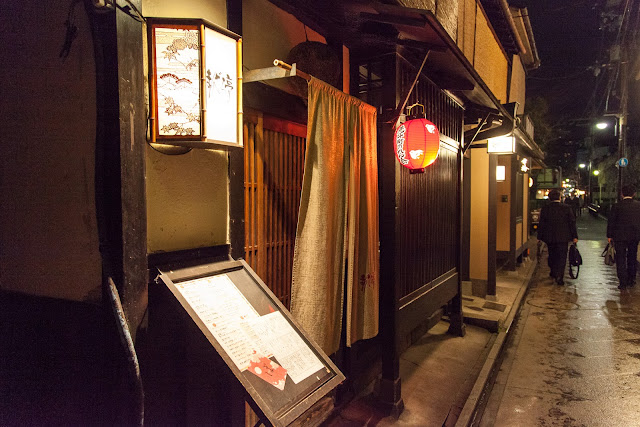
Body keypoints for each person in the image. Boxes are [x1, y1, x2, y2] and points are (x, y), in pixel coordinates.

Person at [538, 189, 579, 285]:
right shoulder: (567, 208)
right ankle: (560, 276)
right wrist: (574, 236)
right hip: (563, 237)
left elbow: (542, 223)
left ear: (549, 198)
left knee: (552, 254)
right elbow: (572, 223)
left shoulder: (546, 208)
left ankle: (553, 271)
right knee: (562, 256)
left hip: (550, 236)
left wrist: (539, 236)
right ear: (560, 198)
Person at [606, 185, 640, 289]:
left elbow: (611, 221)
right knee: (632, 256)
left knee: (620, 258)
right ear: (634, 194)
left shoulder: (616, 206)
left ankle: (622, 280)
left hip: (619, 236)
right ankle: (632, 278)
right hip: (634, 235)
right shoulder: (638, 206)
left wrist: (609, 235)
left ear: (622, 194)